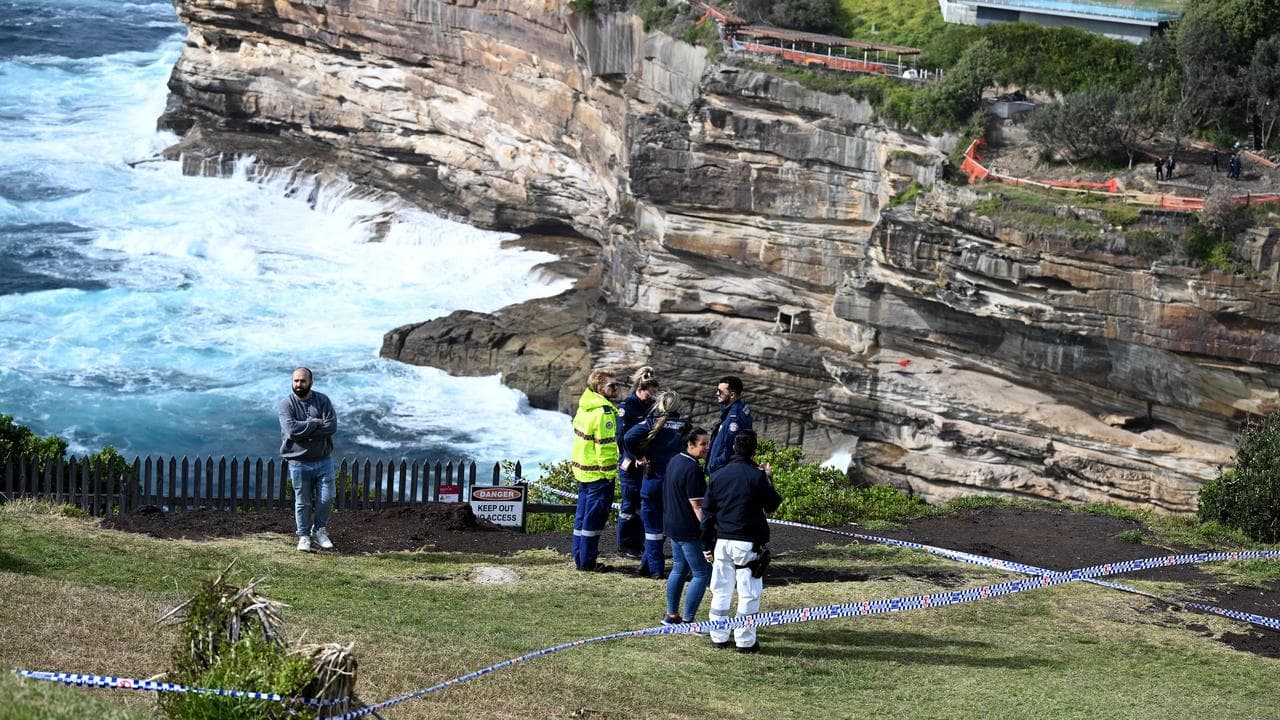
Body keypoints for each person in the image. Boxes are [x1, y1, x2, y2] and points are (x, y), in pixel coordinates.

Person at [701, 430, 781, 653]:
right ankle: (745, 641)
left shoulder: (718, 475)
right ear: (754, 451)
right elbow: (772, 504)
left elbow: (707, 513)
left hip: (722, 541)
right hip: (746, 542)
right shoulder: (756, 476)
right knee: (748, 593)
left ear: (734, 448)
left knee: (720, 590)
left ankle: (718, 636)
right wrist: (768, 478)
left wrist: (706, 544)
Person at [624, 391, 690, 579]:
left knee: (652, 527)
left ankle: (655, 568)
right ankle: (647, 565)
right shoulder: (685, 425)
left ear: (660, 404)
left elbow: (628, 438)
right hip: (675, 483)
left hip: (653, 479)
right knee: (663, 527)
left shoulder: (651, 421)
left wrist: (638, 456)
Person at [278, 367, 338, 552]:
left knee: (327, 498)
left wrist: (304, 430)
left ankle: (318, 530)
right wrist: (314, 423)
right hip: (298, 461)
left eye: (302, 381)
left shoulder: (322, 400)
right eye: (296, 381)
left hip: (323, 460)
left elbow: (331, 427)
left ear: (310, 382)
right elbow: (291, 431)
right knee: (303, 502)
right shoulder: (286, 404)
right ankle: (303, 535)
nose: (299, 384)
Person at [571, 368, 622, 571]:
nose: (616, 387)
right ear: (599, 388)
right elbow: (606, 447)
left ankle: (579, 557)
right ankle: (587, 562)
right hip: (598, 474)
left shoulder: (585, 406)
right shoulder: (604, 413)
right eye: (611, 385)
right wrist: (610, 474)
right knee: (593, 521)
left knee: (581, 518)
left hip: (582, 470)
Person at [661, 426, 712, 625]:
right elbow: (698, 506)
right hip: (688, 529)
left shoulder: (675, 460)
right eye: (703, 444)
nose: (706, 448)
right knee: (701, 573)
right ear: (690, 445)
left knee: (679, 569)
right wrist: (709, 529)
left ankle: (671, 614)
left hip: (672, 525)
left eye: (707, 444)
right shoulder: (692, 469)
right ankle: (688, 620)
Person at [615, 366, 659, 559]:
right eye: (651, 392)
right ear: (640, 389)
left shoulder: (651, 407)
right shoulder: (626, 407)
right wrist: (635, 458)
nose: (654, 396)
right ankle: (624, 544)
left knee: (644, 504)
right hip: (631, 464)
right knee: (629, 506)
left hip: (647, 462)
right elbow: (622, 438)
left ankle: (638, 543)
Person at [707, 376, 752, 475]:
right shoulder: (738, 408)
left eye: (720, 391)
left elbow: (730, 448)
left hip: (721, 470)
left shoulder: (734, 417)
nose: (717, 394)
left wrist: (714, 465)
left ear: (732, 395)